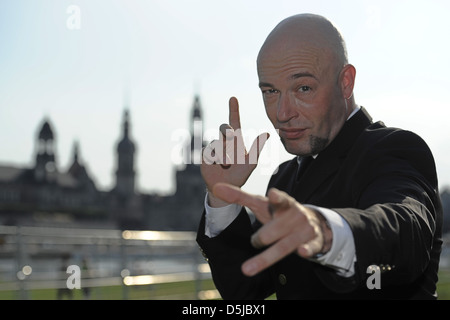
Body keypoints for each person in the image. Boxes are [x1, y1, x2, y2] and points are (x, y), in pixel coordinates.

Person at [196, 13, 443, 299]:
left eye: (303, 88)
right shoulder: (285, 178)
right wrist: (223, 198)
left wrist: (328, 233)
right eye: (271, 91)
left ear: (346, 82)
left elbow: (407, 226)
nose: (282, 113)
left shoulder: (394, 149)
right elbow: (244, 290)